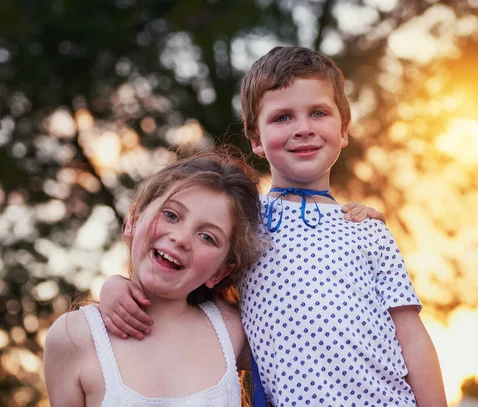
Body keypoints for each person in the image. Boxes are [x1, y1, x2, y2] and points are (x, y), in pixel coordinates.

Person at [100, 46, 447, 406]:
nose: (303, 129)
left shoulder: (368, 229)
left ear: (344, 130)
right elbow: (181, 285)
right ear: (255, 139)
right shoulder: (241, 222)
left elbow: (411, 336)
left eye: (318, 113)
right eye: (282, 118)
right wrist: (116, 286)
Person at [44, 151, 265, 406]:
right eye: (171, 215)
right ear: (133, 220)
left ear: (220, 272)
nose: (181, 238)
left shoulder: (233, 330)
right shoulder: (73, 336)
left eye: (208, 237)